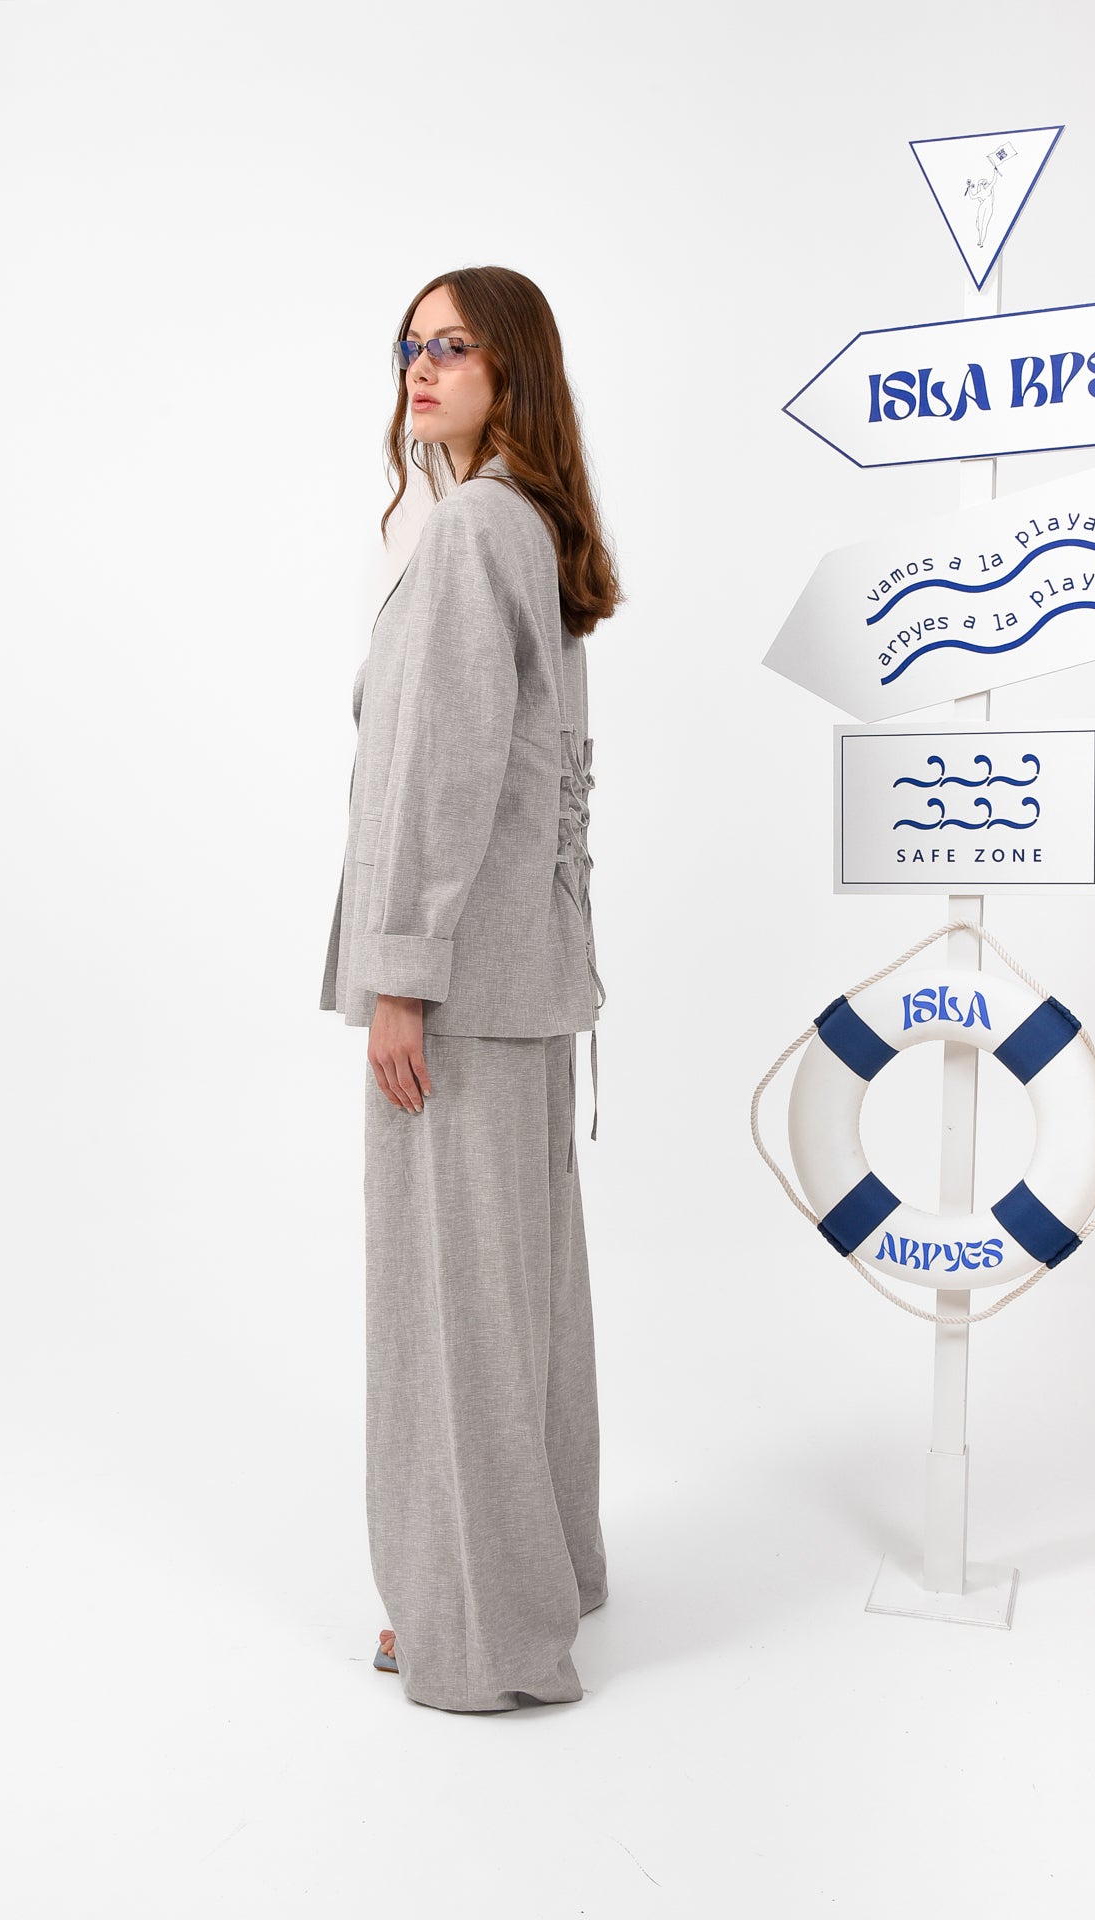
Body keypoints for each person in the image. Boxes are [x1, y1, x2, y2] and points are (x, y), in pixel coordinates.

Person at [318, 265, 622, 1713]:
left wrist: (400, 977)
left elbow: (442, 773)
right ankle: (544, 1574)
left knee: (452, 1315)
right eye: (410, 345)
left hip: (458, 988)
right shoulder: (529, 524)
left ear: (513, 370)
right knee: (521, 1302)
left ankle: (479, 1630)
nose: (420, 368)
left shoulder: (468, 533)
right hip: (525, 975)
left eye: (453, 346)